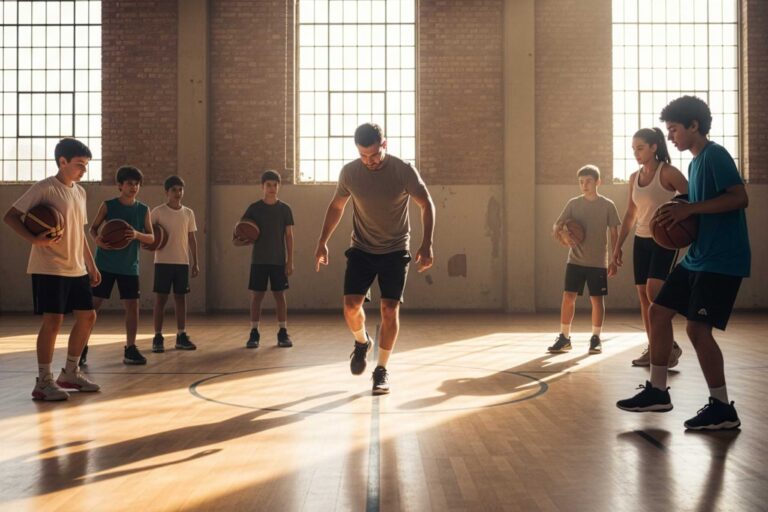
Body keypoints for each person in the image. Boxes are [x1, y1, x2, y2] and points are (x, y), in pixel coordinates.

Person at [617, 95, 750, 430]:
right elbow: (695, 205)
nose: (671, 136)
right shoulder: (694, 163)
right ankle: (658, 391)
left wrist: (689, 209)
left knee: (696, 329)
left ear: (694, 126)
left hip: (721, 260)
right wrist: (676, 213)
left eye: (674, 129)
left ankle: (722, 408)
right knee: (658, 311)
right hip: (697, 257)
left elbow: (739, 197)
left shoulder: (715, 156)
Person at [315, 123, 435, 395]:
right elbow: (336, 207)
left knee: (389, 309)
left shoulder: (403, 171)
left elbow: (426, 203)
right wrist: (322, 242)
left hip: (395, 250)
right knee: (350, 307)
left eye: (374, 155)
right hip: (362, 249)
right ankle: (361, 342)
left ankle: (381, 370)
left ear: (385, 145)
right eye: (363, 156)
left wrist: (427, 243)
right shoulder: (350, 173)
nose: (369, 162)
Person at [3, 138, 101, 400]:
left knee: (88, 317)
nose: (84, 170)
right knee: (53, 321)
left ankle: (70, 372)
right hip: (49, 266)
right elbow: (10, 216)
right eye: (80, 164)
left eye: (86, 165)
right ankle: (43, 382)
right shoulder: (45, 188)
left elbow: (79, 232)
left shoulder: (79, 193)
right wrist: (34, 239)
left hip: (76, 267)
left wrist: (91, 264)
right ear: (62, 162)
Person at [612, 128, 688, 367]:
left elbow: (691, 197)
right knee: (644, 297)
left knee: (655, 294)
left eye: (640, 148)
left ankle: (669, 345)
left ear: (654, 147)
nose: (636, 152)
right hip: (641, 239)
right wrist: (617, 247)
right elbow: (630, 213)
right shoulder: (634, 177)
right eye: (633, 148)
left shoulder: (668, 173)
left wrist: (678, 219)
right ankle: (657, 347)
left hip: (665, 239)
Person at [83, 166, 154, 366]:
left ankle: (130, 348)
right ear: (120, 185)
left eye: (137, 184)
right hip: (104, 264)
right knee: (93, 306)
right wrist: (96, 240)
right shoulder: (108, 205)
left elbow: (151, 237)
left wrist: (137, 235)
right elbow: (93, 228)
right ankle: (82, 346)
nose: (134, 187)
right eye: (129, 183)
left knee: (132, 307)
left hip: (129, 266)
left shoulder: (143, 209)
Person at [548, 165, 621, 355]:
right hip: (575, 260)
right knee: (568, 298)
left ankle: (596, 338)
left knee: (597, 300)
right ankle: (564, 337)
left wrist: (614, 257)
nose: (584, 185)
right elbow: (557, 224)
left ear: (598, 182)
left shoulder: (607, 205)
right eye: (581, 182)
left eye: (588, 181)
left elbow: (614, 232)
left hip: (598, 262)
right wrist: (563, 233)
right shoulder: (573, 203)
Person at [235, 170, 295, 348]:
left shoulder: (285, 209)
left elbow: (289, 236)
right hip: (259, 260)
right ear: (262, 187)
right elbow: (240, 232)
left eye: (275, 185)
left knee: (280, 296)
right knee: (257, 297)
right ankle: (254, 332)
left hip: (278, 260)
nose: (272, 188)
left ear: (279, 186)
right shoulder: (254, 208)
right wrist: (241, 239)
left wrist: (290, 260)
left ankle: (283, 332)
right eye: (268, 185)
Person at [150, 176, 199, 352]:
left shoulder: (188, 213)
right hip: (162, 262)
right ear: (166, 192)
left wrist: (195, 262)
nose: (178, 193)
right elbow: (148, 234)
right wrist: (150, 243)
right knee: (161, 300)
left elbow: (192, 238)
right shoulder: (158, 212)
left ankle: (181, 335)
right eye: (174, 190)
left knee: (181, 299)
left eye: (180, 190)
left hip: (182, 262)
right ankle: (157, 336)